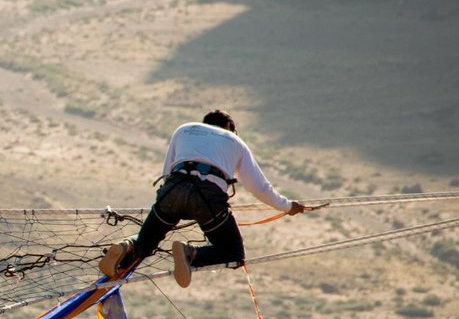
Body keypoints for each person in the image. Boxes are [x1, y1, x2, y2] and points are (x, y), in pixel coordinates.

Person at [98, 109, 306, 287]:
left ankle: (125, 246)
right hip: (207, 198)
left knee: (146, 241)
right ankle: (190, 254)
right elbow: (259, 187)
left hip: (173, 189)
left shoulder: (185, 130)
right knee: (234, 253)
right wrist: (287, 206)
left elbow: (167, 172)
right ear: (230, 128)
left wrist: (168, 206)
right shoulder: (235, 141)